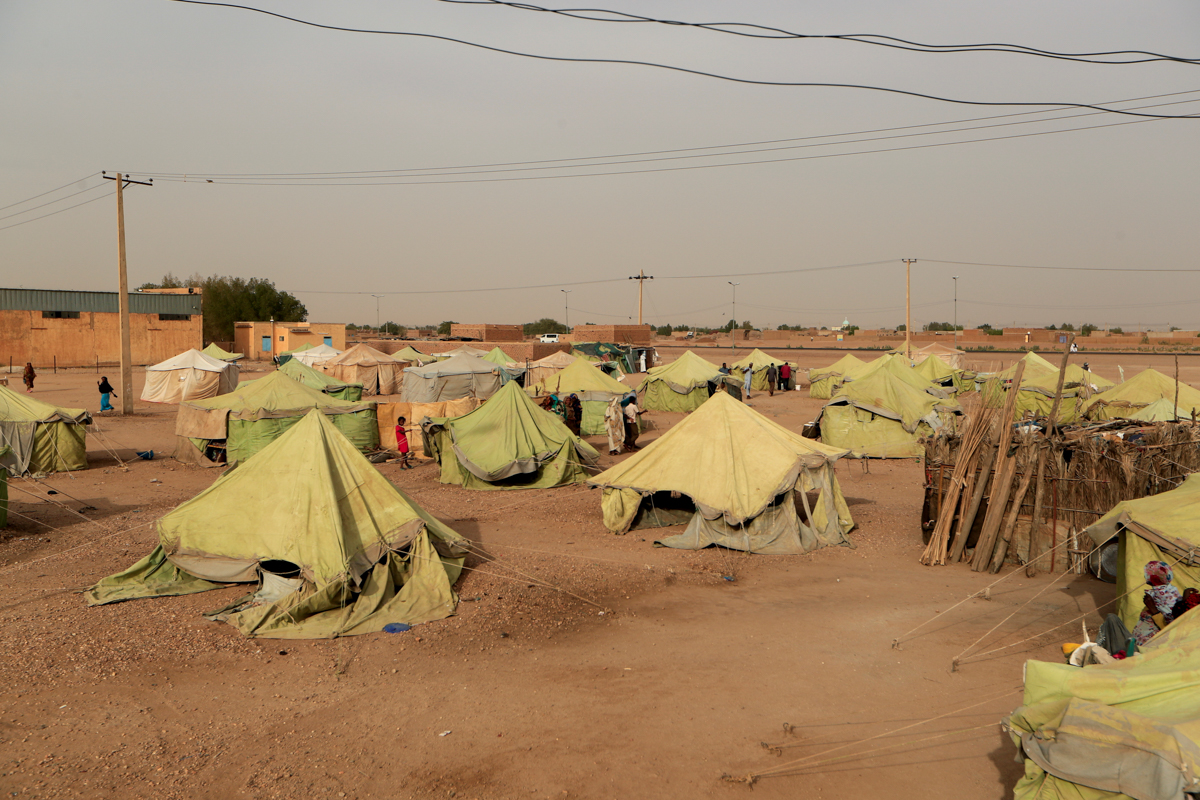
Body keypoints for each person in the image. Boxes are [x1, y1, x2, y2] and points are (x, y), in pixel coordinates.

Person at [1130, 560, 1181, 645]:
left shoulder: (1162, 596)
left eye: (1147, 573)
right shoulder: (1171, 591)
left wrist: (1153, 610)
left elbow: (1170, 626)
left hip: (1152, 645)